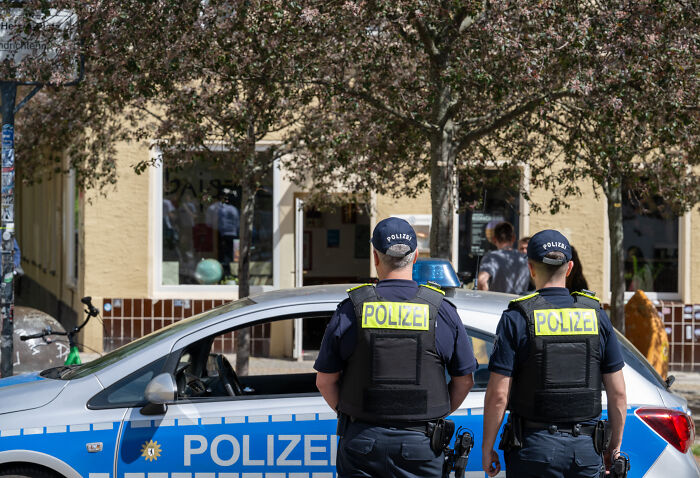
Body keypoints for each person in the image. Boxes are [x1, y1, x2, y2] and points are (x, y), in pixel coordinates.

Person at [315, 217, 478, 478]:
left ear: (375, 258)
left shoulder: (352, 309)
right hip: (422, 444)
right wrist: (432, 413)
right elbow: (465, 381)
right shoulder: (440, 310)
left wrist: (357, 413)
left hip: (362, 441)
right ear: (415, 258)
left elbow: (325, 381)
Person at [482, 229, 627, 478]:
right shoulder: (596, 316)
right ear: (569, 268)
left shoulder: (517, 318)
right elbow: (618, 392)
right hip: (585, 450)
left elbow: (498, 395)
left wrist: (488, 447)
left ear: (531, 268)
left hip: (533, 450)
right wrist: (613, 447)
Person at [477, 222, 529, 294]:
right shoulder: (524, 259)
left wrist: (487, 299)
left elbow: (481, 281)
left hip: (497, 303)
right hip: (519, 303)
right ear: (513, 238)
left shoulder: (492, 257)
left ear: (494, 239)